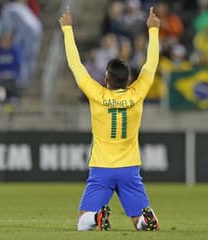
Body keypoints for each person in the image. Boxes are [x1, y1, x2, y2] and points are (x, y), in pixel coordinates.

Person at [59, 6, 160, 231]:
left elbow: (75, 65)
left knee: (83, 219)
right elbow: (151, 65)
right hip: (129, 168)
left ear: (106, 79)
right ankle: (146, 219)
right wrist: (153, 31)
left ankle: (96, 219)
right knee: (137, 219)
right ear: (129, 80)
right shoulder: (137, 94)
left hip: (102, 167)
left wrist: (67, 29)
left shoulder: (97, 95)